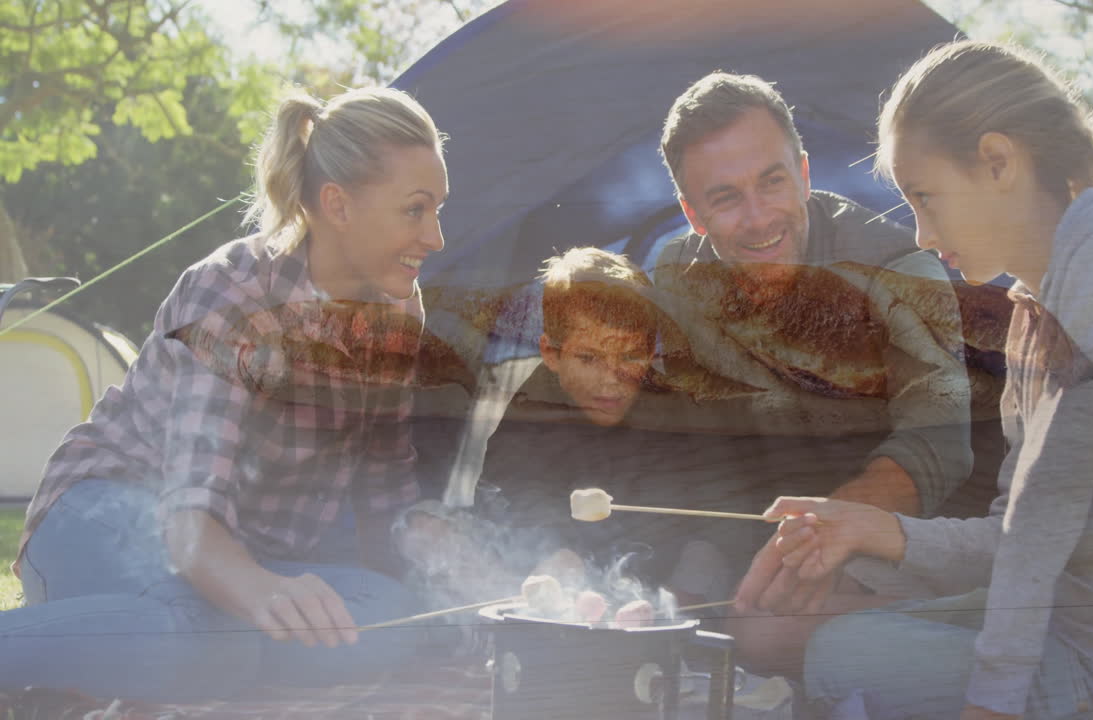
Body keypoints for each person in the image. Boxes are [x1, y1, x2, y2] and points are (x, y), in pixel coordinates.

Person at [763, 41, 1093, 719]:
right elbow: (1015, 532)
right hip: (1078, 623)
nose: (922, 231)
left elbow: (1045, 505)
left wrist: (994, 701)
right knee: (839, 628)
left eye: (926, 197)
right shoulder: (1038, 303)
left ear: (998, 162)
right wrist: (871, 530)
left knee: (842, 657)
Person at [0, 86, 454, 701]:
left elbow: (384, 483)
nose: (436, 237)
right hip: (107, 518)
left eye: (438, 211)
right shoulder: (235, 294)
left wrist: (444, 560)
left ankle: (119, 653)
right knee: (214, 634)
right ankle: (135, 643)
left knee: (389, 615)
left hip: (238, 551)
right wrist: (260, 591)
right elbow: (189, 522)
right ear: (338, 205)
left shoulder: (398, 309)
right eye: (415, 210)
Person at [653, 71, 979, 671]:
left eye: (772, 182)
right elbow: (695, 450)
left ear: (803, 175)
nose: (758, 219)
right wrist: (693, 573)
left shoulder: (897, 270)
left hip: (913, 529)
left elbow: (937, 450)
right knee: (655, 628)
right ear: (693, 213)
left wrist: (812, 541)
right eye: (725, 198)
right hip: (757, 525)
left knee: (762, 642)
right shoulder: (677, 278)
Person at [403, 248, 727, 609]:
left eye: (631, 357)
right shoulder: (532, 405)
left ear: (652, 353)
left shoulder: (673, 412)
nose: (611, 381)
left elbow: (702, 512)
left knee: (708, 559)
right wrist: (557, 548)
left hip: (646, 577)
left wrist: (681, 588)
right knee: (422, 527)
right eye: (588, 358)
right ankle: (502, 623)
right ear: (552, 353)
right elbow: (520, 488)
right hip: (549, 562)